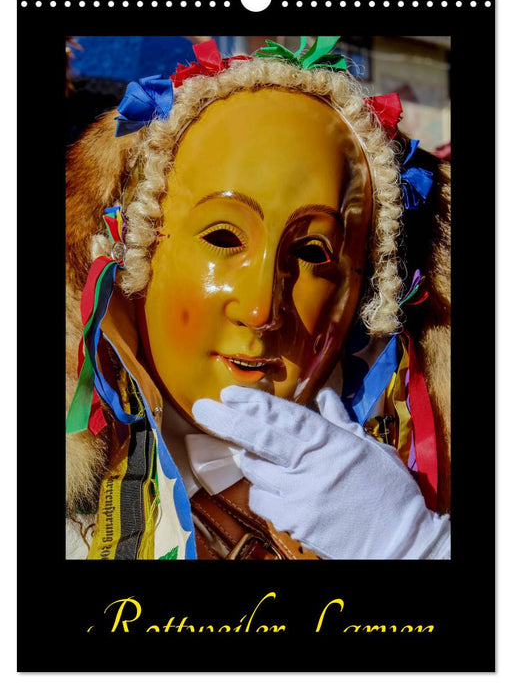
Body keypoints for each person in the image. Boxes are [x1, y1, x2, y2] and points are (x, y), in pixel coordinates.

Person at [65, 37, 451, 560]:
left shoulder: (405, 481)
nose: (260, 310)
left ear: (363, 287)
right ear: (137, 252)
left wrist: (410, 544)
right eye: (223, 237)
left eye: (313, 251)